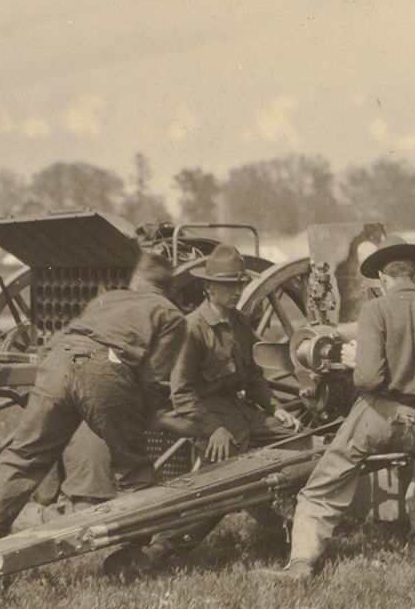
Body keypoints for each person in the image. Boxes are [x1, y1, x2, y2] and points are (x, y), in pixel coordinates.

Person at [254, 235, 415, 581]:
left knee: (325, 482)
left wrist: (353, 362)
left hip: (381, 420)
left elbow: (368, 379)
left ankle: (301, 563)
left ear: (385, 279)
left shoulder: (376, 309)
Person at [0, 252, 188, 550]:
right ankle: (132, 553)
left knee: (23, 455)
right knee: (133, 467)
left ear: (136, 281)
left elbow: (61, 338)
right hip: (104, 367)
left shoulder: (110, 298)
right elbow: (152, 379)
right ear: (169, 289)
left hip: (57, 362)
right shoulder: (171, 315)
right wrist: (150, 414)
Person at [103, 244, 300, 578]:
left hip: (240, 412)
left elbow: (253, 377)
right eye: (228, 285)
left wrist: (276, 408)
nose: (236, 291)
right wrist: (211, 429)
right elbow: (182, 393)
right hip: (207, 417)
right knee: (220, 491)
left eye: (239, 284)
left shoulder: (239, 322)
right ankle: (156, 553)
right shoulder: (191, 329)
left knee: (298, 440)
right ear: (209, 288)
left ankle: (292, 525)